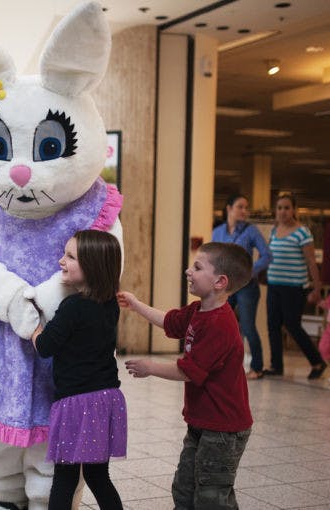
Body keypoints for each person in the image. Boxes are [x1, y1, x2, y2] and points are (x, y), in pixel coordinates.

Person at [119, 242, 253, 510]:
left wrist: (150, 367)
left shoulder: (220, 325)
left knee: (212, 496)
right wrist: (136, 305)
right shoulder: (197, 310)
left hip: (223, 428)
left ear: (220, 281)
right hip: (202, 421)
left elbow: (188, 371)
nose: (188, 270)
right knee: (184, 488)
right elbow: (169, 321)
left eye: (198, 267)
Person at [31, 230, 126, 510]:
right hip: (106, 399)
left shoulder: (72, 306)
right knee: (99, 477)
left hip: (75, 404)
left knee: (65, 478)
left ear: (93, 266)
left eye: (70, 256)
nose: (61, 261)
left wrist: (33, 328)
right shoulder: (110, 304)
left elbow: (46, 346)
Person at [264, 192, 326, 379]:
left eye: (287, 208)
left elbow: (311, 263)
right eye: (280, 208)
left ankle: (317, 362)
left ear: (294, 210)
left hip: (294, 287)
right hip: (274, 285)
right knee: (273, 325)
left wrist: (317, 289)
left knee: (292, 325)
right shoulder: (275, 231)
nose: (283, 212)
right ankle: (277, 366)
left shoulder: (302, 232)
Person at [211, 194, 271, 379]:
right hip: (224, 287)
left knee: (247, 326)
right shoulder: (218, 231)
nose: (245, 211)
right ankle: (220, 363)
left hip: (246, 286)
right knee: (220, 325)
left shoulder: (251, 230)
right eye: (240, 207)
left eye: (246, 207)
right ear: (229, 208)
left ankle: (257, 367)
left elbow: (267, 256)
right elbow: (213, 257)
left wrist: (250, 271)